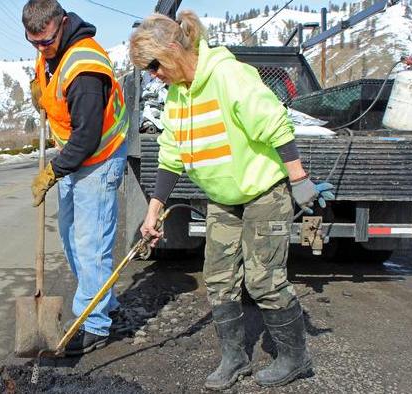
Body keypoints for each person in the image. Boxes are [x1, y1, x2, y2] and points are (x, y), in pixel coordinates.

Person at [130, 10, 334, 390]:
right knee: (219, 278)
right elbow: (170, 155)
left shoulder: (228, 75)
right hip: (224, 199)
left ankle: (295, 358)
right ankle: (234, 357)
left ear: (174, 48)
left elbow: (273, 121)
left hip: (263, 193)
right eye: (148, 70)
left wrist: (299, 178)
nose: (154, 74)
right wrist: (152, 212)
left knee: (264, 280)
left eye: (154, 65)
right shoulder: (177, 96)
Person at [22, 0, 128, 355]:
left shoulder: (85, 68)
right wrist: (41, 91)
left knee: (91, 246)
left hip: (98, 159)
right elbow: (52, 87)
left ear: (63, 24)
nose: (41, 48)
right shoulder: (50, 52)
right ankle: (105, 301)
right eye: (33, 42)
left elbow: (86, 137)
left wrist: (53, 171)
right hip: (75, 158)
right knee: (71, 240)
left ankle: (94, 324)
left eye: (47, 42)